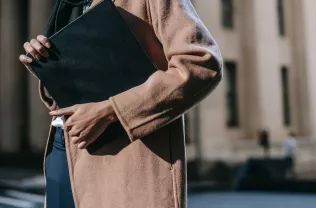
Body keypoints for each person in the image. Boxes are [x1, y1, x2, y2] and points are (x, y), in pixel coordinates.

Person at [19, 0, 223, 207]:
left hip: (128, 158)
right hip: (63, 148)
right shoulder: (67, 4)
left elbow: (201, 63)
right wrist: (47, 63)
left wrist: (111, 111)